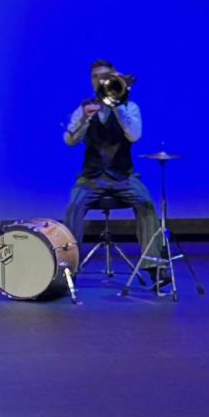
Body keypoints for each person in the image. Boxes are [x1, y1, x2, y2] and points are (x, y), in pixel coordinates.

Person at [62, 59, 165, 282]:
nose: (100, 80)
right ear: (91, 81)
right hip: (91, 178)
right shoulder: (83, 107)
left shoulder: (130, 107)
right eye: (95, 77)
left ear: (113, 77)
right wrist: (85, 119)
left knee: (146, 204)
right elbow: (69, 141)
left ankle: (155, 266)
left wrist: (116, 104)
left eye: (104, 76)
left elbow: (134, 136)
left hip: (123, 176)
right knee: (73, 206)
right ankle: (68, 269)